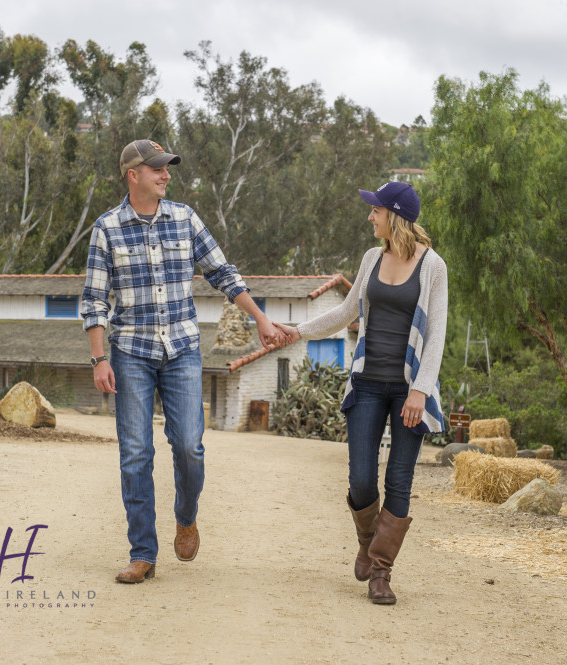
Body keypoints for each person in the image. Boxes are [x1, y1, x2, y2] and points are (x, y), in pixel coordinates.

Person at [81, 139, 280, 584]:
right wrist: (99, 359)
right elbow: (94, 301)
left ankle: (185, 516)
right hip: (130, 351)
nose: (166, 174)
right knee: (136, 454)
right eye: (157, 169)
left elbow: (223, 274)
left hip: (182, 350)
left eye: (167, 168)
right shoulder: (106, 229)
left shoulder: (186, 219)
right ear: (133, 175)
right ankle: (143, 554)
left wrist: (261, 319)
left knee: (189, 445)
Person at [274, 181, 447, 605]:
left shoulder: (433, 267)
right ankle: (368, 541)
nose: (370, 216)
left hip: (409, 389)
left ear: (395, 216)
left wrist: (420, 391)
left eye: (375, 210)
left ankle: (381, 573)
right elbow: (346, 311)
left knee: (399, 480)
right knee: (361, 479)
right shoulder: (372, 258)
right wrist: (298, 332)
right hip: (367, 383)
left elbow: (438, 333)